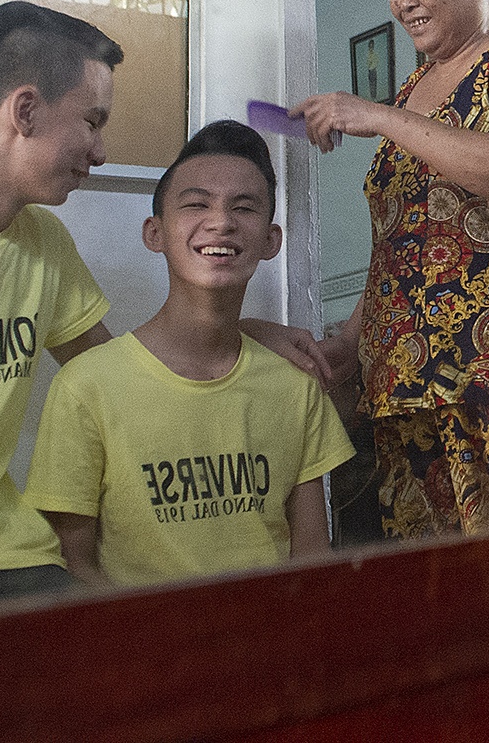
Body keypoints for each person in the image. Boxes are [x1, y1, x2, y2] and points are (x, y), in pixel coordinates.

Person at [0, 1, 325, 612]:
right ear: (25, 111)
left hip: (18, 558)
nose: (100, 151)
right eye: (92, 121)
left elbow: (126, 372)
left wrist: (238, 332)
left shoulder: (45, 245)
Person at [291, 0, 489, 539]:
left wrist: (378, 116)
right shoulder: (412, 87)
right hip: (402, 388)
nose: (404, 2)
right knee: (436, 592)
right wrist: (349, 337)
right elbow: (396, 244)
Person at [22, 120, 355, 586]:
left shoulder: (295, 384)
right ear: (154, 233)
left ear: (270, 241)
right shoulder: (86, 386)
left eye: (244, 207)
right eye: (197, 203)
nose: (221, 221)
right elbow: (73, 565)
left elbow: (311, 555)